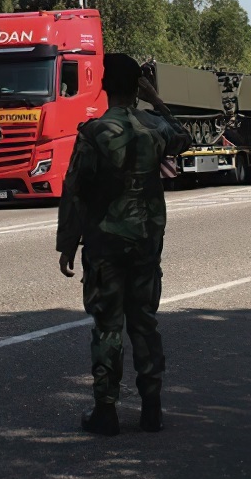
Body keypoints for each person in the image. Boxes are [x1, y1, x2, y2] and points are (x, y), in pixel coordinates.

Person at [56, 54, 190, 436]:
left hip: (105, 244)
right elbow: (185, 135)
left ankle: (106, 410)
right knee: (145, 323)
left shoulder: (95, 132)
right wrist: (156, 99)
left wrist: (68, 242)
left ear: (102, 85)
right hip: (146, 242)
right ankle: (152, 410)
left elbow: (75, 191)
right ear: (137, 88)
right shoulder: (155, 128)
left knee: (108, 327)